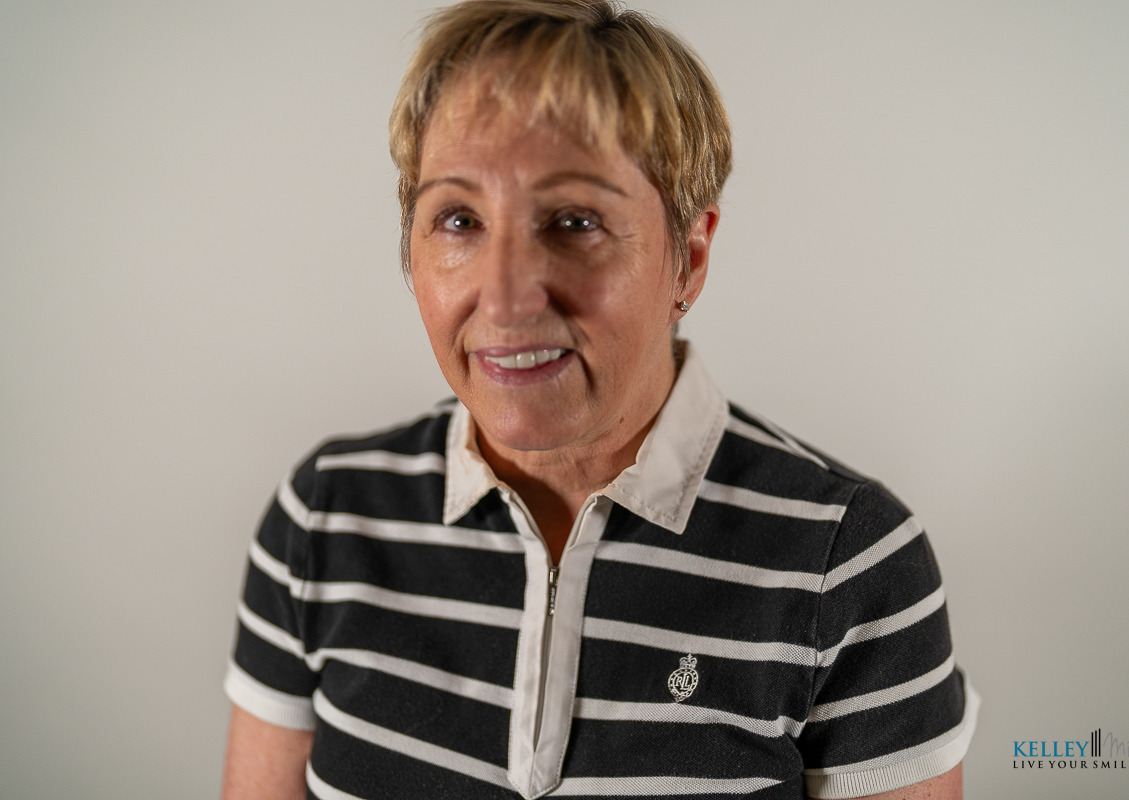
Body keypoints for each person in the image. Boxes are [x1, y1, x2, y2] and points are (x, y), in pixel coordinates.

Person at [220, 1, 980, 798]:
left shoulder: (851, 566)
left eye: (575, 220)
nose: (507, 301)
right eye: (458, 218)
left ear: (688, 258)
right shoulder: (323, 523)